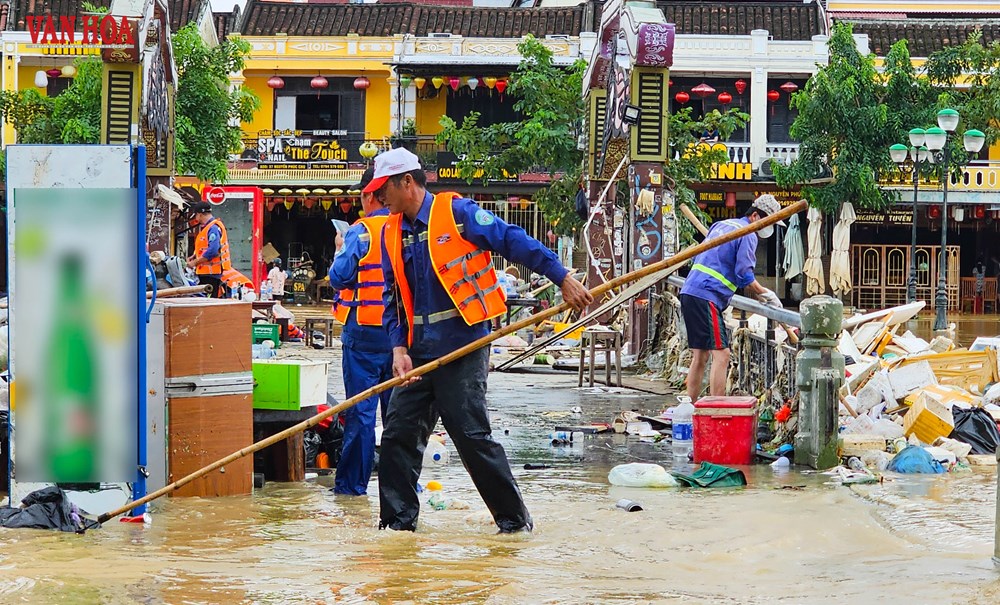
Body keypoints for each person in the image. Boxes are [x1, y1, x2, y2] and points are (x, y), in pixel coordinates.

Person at [370, 148, 592, 533]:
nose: (378, 197)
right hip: (418, 353)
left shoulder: (458, 214)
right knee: (396, 437)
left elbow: (513, 240)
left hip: (464, 345)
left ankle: (514, 524)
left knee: (471, 436)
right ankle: (397, 527)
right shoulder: (390, 232)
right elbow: (392, 297)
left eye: (382, 189)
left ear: (406, 181)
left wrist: (561, 277)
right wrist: (398, 348)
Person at [327, 167, 394, 496]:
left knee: (361, 414)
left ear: (369, 195)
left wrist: (340, 247)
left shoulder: (360, 232)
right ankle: (400, 486)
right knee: (399, 417)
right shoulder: (407, 228)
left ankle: (352, 489)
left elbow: (339, 277)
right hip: (402, 336)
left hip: (364, 333)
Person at [680, 194, 785, 401]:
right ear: (756, 216)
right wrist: (765, 293)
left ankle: (690, 406)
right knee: (722, 354)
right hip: (707, 294)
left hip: (690, 291)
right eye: (769, 222)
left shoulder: (723, 225)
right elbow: (744, 275)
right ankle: (717, 408)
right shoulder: (747, 234)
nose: (769, 229)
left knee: (700, 355)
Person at [186, 201, 231, 298]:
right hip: (208, 274)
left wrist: (195, 262)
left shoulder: (213, 228)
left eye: (196, 215)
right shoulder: (209, 228)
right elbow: (205, 247)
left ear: (200, 214)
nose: (196, 218)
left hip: (211, 274)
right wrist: (195, 256)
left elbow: (213, 251)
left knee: (207, 302)